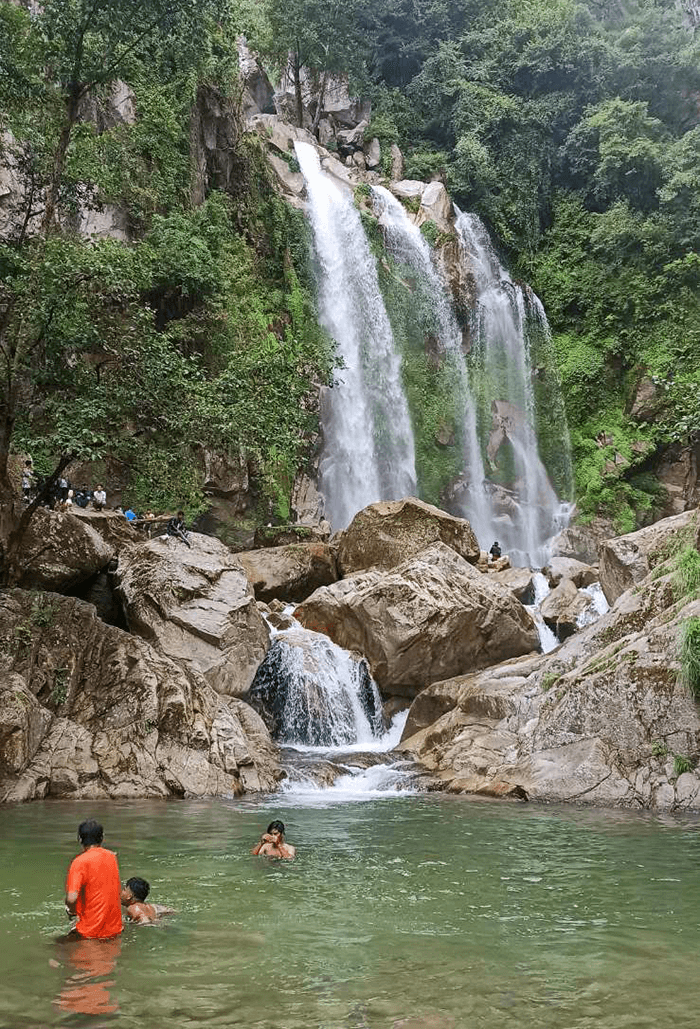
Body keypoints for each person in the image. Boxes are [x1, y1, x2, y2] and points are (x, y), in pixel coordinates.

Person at [64, 819, 123, 939]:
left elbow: (71, 899)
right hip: (115, 929)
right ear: (102, 837)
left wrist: (71, 911)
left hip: (90, 932)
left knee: (51, 952)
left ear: (79, 839)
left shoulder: (79, 862)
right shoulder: (112, 856)